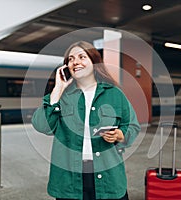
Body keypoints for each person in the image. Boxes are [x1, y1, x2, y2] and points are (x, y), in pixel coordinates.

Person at [31, 41, 141, 200]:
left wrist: (120, 135)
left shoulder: (114, 94)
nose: (75, 62)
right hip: (69, 179)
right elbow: (41, 125)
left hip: (108, 177)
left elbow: (132, 125)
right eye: (70, 59)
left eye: (82, 57)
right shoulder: (61, 96)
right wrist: (57, 90)